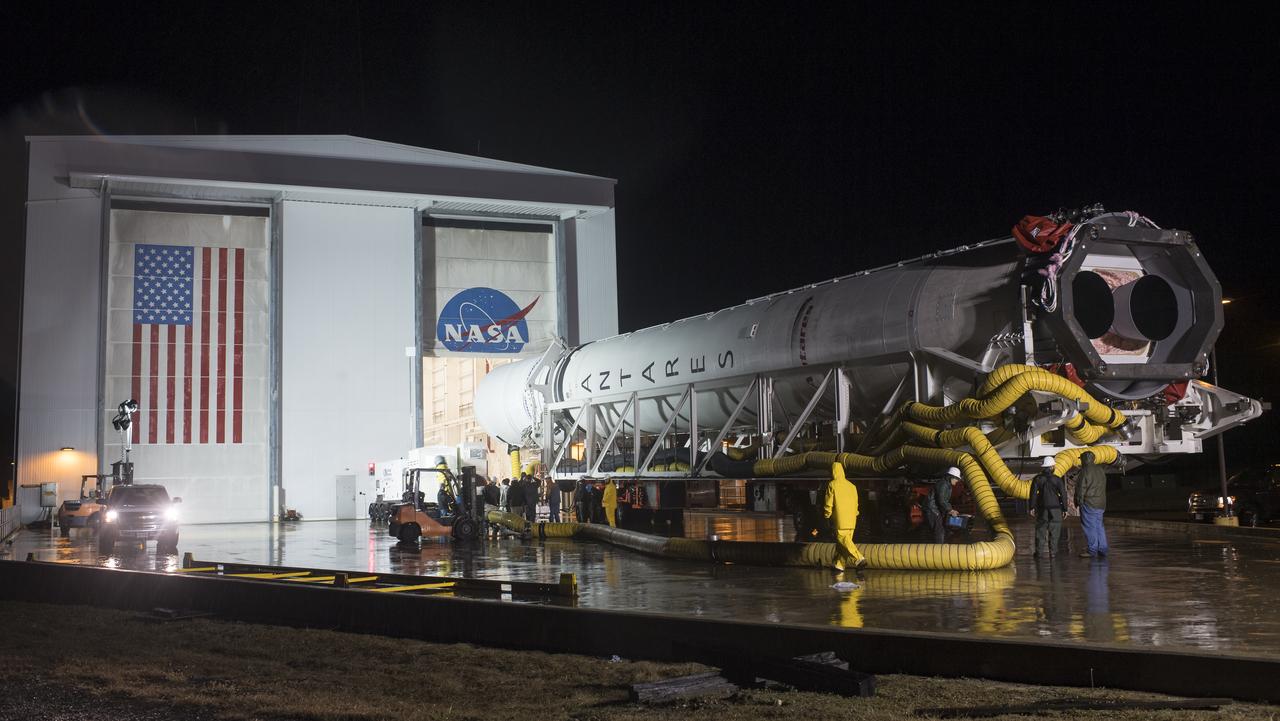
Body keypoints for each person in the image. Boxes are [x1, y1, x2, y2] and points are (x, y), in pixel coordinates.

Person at [823, 463, 866, 573]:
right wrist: (855, 514)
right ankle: (839, 565)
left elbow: (829, 503)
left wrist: (827, 516)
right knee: (843, 544)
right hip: (852, 519)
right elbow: (856, 503)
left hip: (840, 519)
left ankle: (859, 558)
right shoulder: (852, 486)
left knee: (843, 540)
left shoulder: (832, 485)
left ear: (833, 472)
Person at [1028, 456, 1066, 558]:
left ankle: (1039, 552)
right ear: (1052, 467)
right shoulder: (1057, 479)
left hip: (1042, 508)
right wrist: (1065, 509)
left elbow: (1033, 494)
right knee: (1055, 531)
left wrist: (1031, 507)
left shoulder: (1037, 479)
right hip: (1056, 509)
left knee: (1041, 530)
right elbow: (1063, 494)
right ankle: (1053, 552)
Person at [1074, 450, 1109, 558]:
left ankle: (1092, 550)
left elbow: (1081, 489)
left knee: (1090, 527)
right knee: (1099, 526)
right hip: (1101, 503)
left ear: (1084, 460)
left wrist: (1078, 501)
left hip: (1089, 503)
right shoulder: (1100, 470)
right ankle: (1103, 549)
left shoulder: (1084, 471)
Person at [924, 467, 962, 543]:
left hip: (936, 509)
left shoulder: (947, 485)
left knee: (941, 529)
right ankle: (938, 550)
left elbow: (944, 500)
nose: (957, 481)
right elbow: (942, 500)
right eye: (956, 478)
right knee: (939, 530)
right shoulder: (943, 485)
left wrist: (950, 510)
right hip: (932, 509)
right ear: (951, 477)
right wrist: (950, 510)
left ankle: (938, 547)